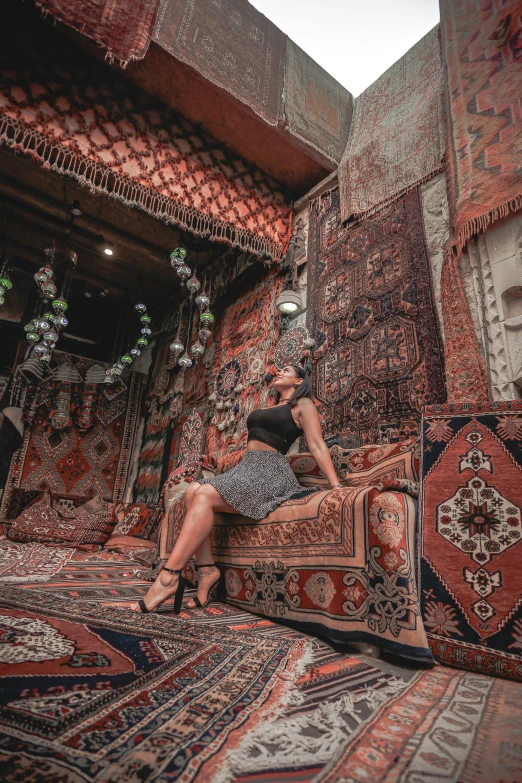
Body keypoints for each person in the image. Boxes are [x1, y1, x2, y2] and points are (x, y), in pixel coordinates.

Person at [131, 364, 342, 614]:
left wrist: (336, 485)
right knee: (191, 491)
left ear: (299, 381)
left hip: (270, 472)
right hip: (245, 469)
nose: (279, 372)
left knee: (204, 495)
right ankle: (207, 571)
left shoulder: (303, 405)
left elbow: (317, 445)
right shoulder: (270, 405)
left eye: (286, 370)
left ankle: (168, 578)